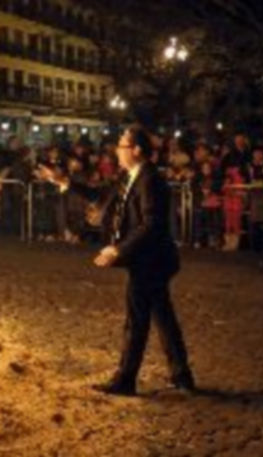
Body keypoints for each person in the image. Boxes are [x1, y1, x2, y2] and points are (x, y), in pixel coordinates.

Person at [38, 125, 195, 396]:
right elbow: (101, 196)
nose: (116, 150)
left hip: (151, 261)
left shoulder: (150, 180)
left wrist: (119, 250)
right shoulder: (128, 177)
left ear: (136, 150)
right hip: (147, 259)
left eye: (122, 145)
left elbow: (152, 224)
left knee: (137, 320)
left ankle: (125, 380)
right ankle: (182, 376)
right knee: (163, 317)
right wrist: (65, 182)